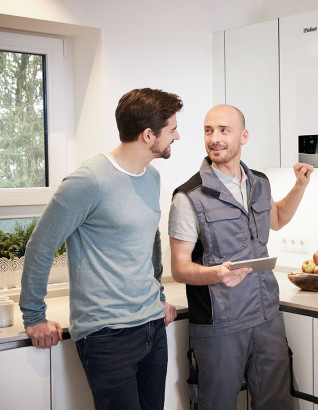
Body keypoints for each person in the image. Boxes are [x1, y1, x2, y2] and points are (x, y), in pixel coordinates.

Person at [19, 88, 182, 410]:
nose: (177, 136)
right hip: (107, 334)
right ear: (149, 135)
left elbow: (150, 241)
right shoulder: (89, 180)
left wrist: (159, 298)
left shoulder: (150, 176)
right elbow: (41, 245)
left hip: (151, 327)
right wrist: (34, 315)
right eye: (173, 129)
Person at [168, 104, 313, 410]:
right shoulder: (188, 197)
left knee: (276, 404)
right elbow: (179, 267)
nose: (214, 138)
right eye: (208, 130)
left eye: (223, 130)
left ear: (243, 136)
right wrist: (216, 274)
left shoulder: (259, 183)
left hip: (266, 317)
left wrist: (300, 186)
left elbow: (277, 218)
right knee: (216, 404)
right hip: (220, 325)